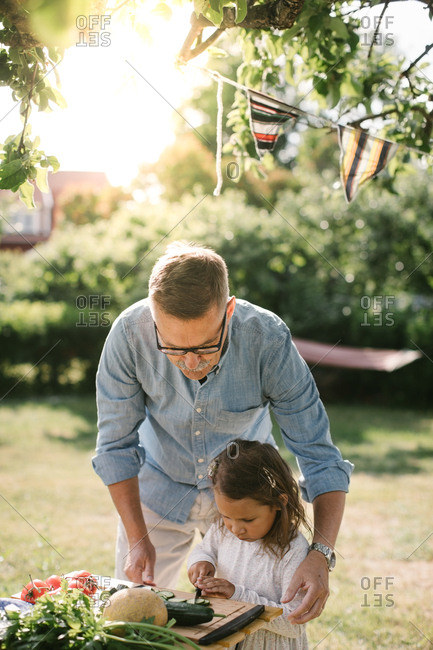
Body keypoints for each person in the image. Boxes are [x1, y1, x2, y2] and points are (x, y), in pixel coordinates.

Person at [93, 241, 353, 624]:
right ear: (152, 316)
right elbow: (115, 447)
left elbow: (319, 456)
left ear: (228, 311)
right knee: (133, 621)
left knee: (247, 623)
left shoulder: (268, 341)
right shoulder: (128, 336)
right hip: (158, 489)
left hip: (246, 498)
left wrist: (322, 554)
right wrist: (137, 538)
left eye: (204, 346)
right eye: (174, 349)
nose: (191, 363)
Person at [188, 439, 310, 649]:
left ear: (279, 502)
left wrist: (238, 596)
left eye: (248, 520)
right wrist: (201, 562)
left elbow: (295, 623)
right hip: (229, 639)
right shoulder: (222, 529)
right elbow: (204, 549)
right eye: (226, 516)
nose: (235, 529)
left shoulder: (293, 549)